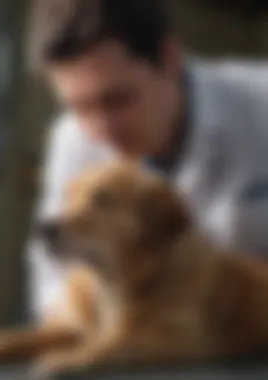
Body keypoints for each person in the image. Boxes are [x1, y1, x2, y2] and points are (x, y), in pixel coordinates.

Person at [26, 0, 268, 321]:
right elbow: (53, 281)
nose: (101, 131)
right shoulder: (71, 139)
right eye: (79, 107)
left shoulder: (259, 104)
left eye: (117, 100)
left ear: (169, 58)